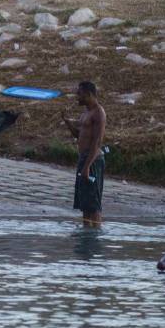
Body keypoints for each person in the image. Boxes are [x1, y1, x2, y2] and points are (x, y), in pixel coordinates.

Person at [62, 80, 106, 226]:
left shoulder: (99, 113)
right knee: (85, 203)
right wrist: (67, 122)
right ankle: (87, 236)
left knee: (93, 205)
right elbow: (78, 135)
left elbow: (97, 142)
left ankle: (95, 239)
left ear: (88, 94)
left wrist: (87, 166)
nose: (77, 97)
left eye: (79, 94)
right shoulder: (85, 112)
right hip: (84, 159)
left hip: (92, 161)